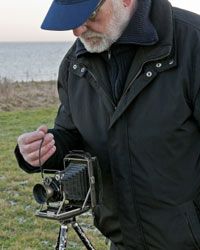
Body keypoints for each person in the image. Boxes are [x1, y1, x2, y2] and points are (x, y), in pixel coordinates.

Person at [14, 0, 200, 249]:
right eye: (70, 20)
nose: (78, 31)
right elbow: (72, 135)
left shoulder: (193, 43)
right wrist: (43, 150)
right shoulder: (74, 65)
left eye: (89, 15)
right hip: (122, 240)